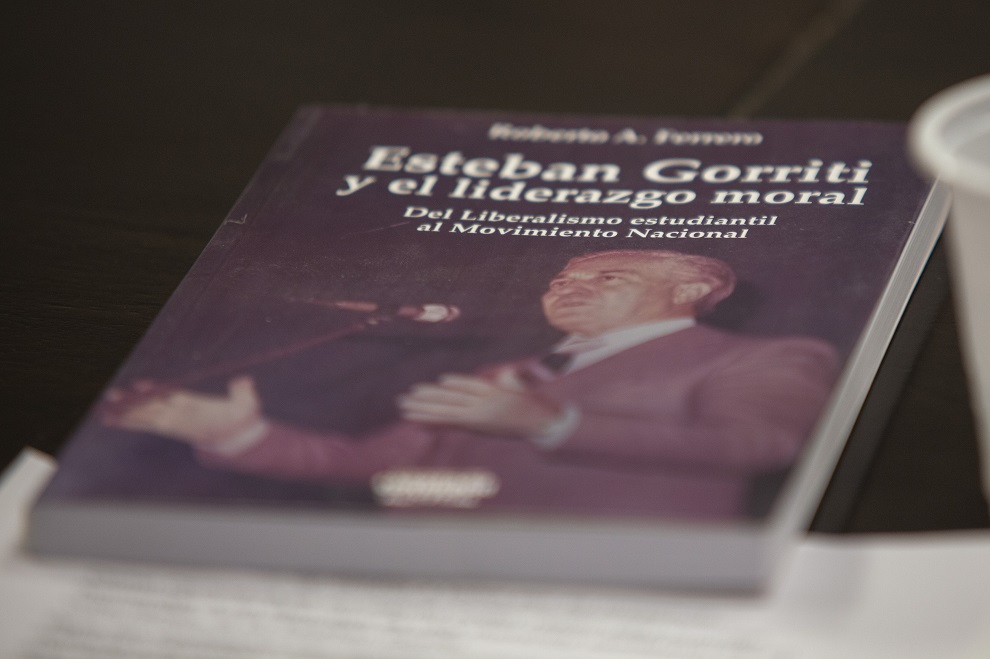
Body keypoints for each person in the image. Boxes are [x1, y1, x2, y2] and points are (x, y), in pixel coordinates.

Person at [106, 249, 840, 519]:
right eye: (561, 280)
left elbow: (758, 442)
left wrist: (552, 424)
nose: (569, 288)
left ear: (692, 289)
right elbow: (377, 465)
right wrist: (235, 432)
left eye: (607, 277)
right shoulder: (503, 376)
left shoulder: (765, 356)